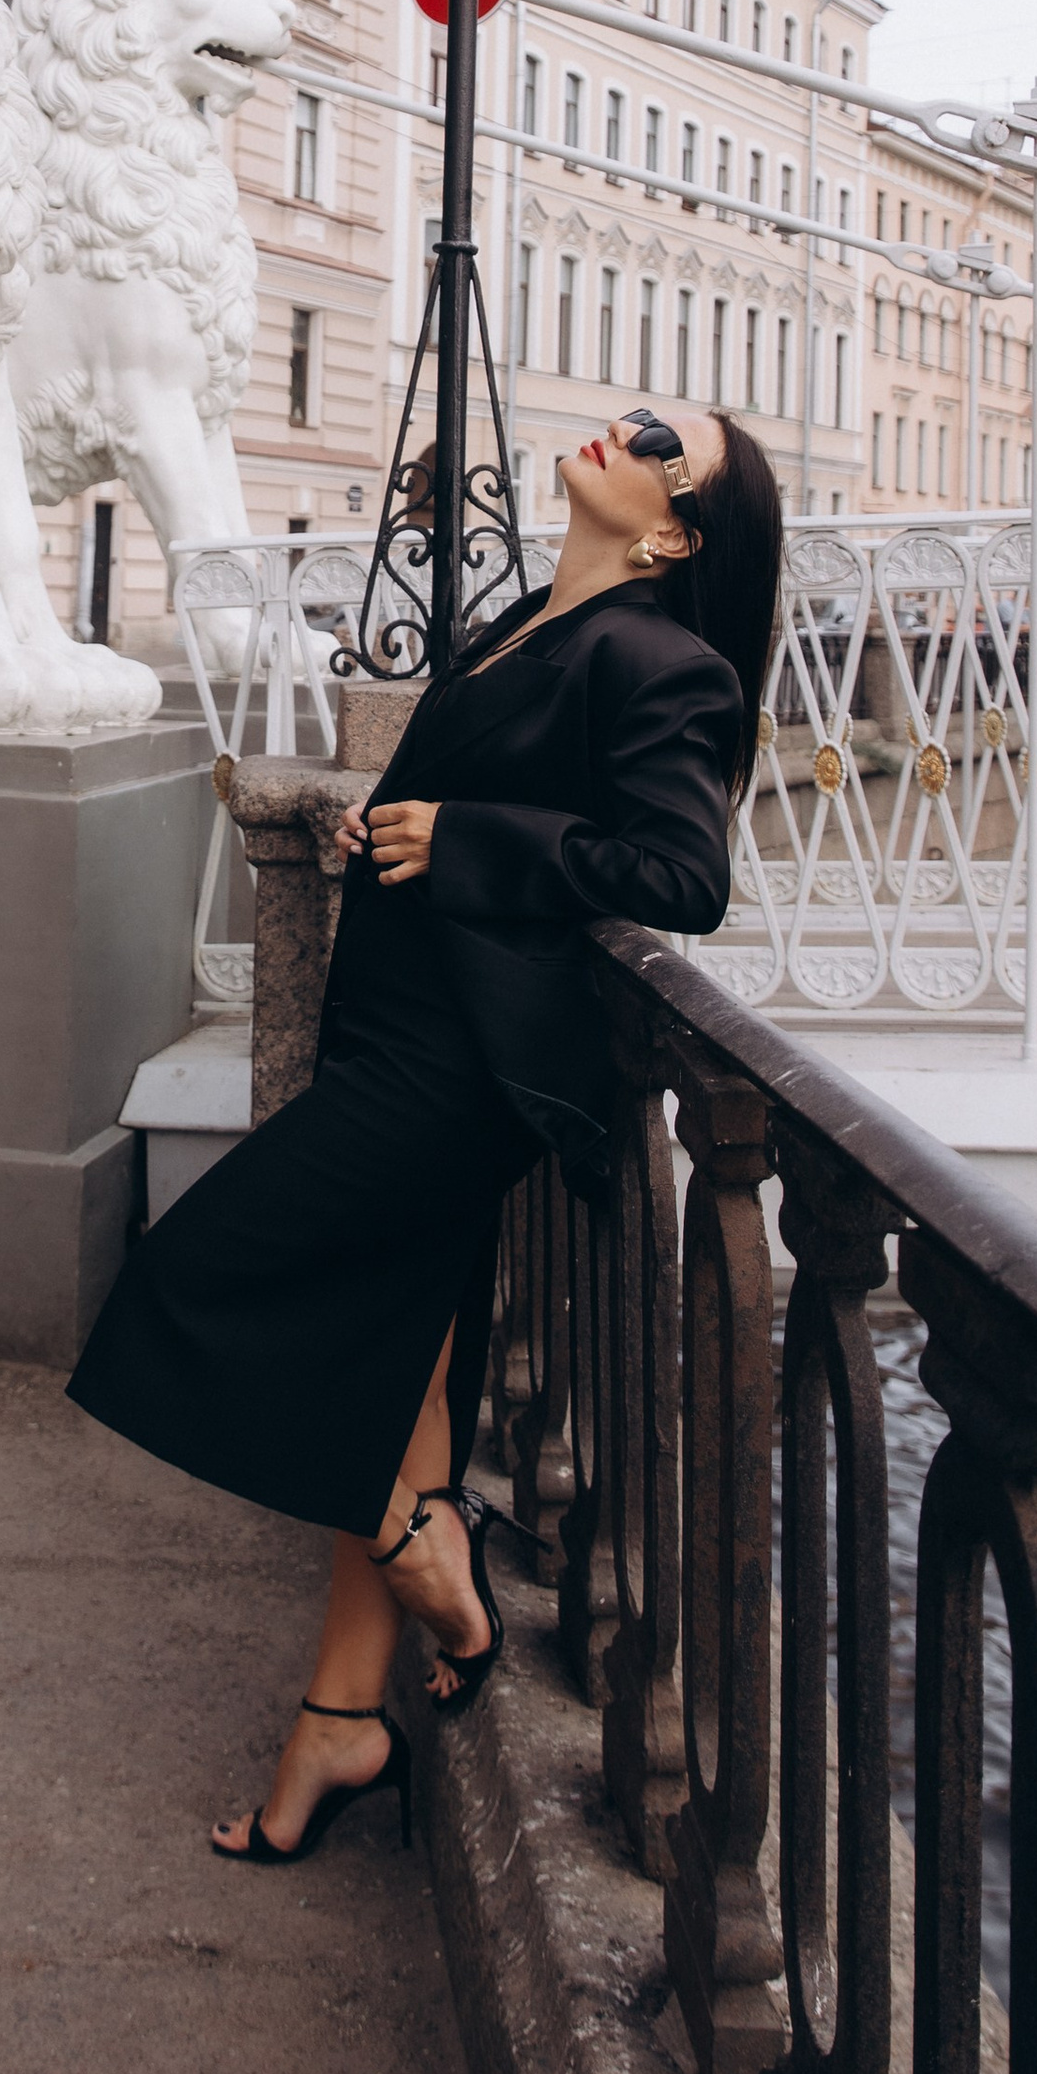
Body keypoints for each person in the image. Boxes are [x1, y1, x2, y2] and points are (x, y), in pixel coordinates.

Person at [68, 403, 785, 1863]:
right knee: (391, 1370)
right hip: (396, 1032)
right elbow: (490, 789)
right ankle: (342, 1723)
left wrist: (466, 837)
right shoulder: (535, 621)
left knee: (187, 1277)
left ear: (673, 533)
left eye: (660, 439)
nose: (621, 426)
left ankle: (424, 1549)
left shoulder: (668, 660)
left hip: (454, 1077)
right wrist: (391, 823)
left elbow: (681, 872)